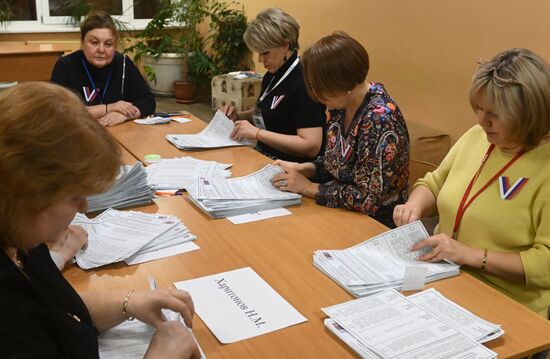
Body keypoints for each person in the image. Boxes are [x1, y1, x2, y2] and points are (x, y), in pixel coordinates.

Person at [0, 82, 199, 359]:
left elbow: (56, 309)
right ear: (28, 192)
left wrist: (130, 301)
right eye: (75, 196)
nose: (83, 206)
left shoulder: (19, 240)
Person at [394, 48, 550, 320]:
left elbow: (545, 264)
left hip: (505, 305)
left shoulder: (544, 167)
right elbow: (434, 183)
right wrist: (414, 205)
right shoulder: (479, 136)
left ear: (528, 114)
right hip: (444, 280)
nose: (481, 120)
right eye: (478, 108)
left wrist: (468, 254)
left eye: (494, 114)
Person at [272, 32, 409, 228]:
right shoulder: (339, 106)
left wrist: (308, 187)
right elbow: (337, 163)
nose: (318, 96)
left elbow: (367, 199)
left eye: (321, 88)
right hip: (340, 211)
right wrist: (303, 169)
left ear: (344, 83)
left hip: (374, 224)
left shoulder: (379, 119)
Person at [222, 7, 326, 163]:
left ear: (285, 46)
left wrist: (257, 133)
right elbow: (269, 111)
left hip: (291, 168)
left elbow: (311, 146)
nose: (260, 60)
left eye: (265, 53)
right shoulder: (273, 74)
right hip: (263, 157)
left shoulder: (304, 80)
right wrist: (239, 115)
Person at [51, 10, 155, 127]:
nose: (101, 50)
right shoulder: (65, 66)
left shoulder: (124, 64)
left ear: (114, 45)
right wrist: (108, 108)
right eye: (94, 42)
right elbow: (59, 112)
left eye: (108, 44)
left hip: (118, 133)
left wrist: (123, 115)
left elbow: (148, 101)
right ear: (82, 42)